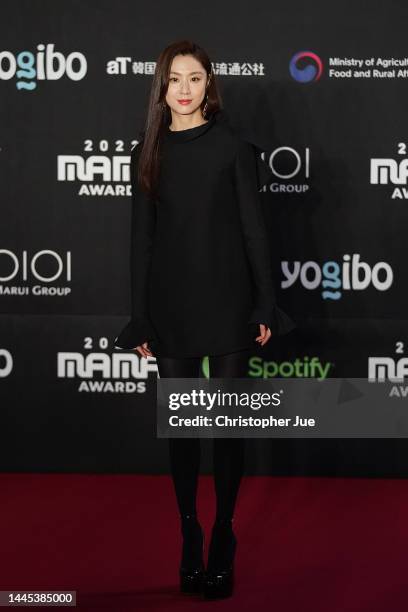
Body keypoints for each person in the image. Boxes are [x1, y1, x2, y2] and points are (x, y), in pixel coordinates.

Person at [114, 39, 296, 599]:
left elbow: (254, 233)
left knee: (227, 428)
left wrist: (266, 303)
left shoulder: (234, 150)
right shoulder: (148, 150)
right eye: (175, 79)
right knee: (184, 428)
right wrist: (140, 317)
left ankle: (224, 532)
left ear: (209, 86)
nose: (185, 89)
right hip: (171, 307)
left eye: (195, 79)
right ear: (161, 88)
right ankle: (189, 527)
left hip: (230, 303)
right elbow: (141, 244)